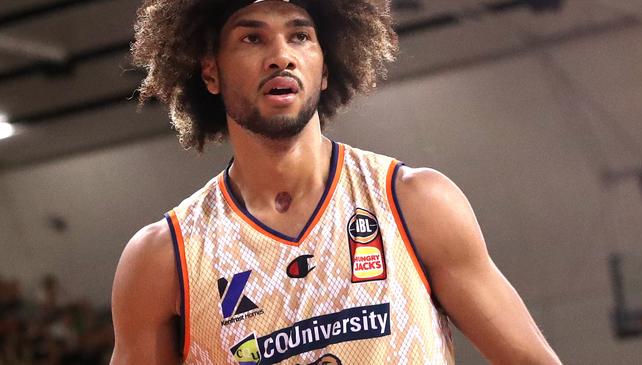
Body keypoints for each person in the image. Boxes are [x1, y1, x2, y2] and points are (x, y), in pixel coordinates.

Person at [110, 0, 561, 364]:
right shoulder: (163, 258)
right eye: (252, 38)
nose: (281, 56)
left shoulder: (414, 201)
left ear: (325, 68)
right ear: (211, 72)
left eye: (300, 36)